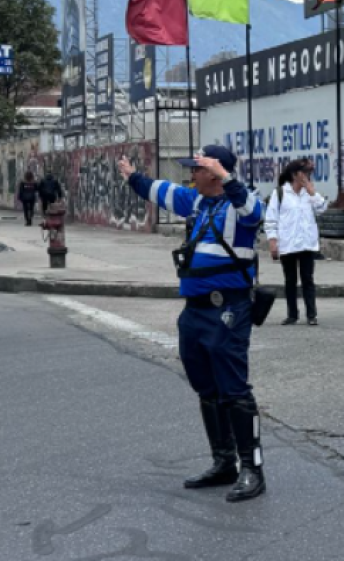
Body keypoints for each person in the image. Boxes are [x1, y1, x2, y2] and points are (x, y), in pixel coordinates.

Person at [118, 145, 266, 503]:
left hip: (227, 309)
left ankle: (252, 468)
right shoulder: (199, 202)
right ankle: (224, 462)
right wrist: (132, 176)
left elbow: (252, 210)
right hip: (195, 311)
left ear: (215, 172)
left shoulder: (241, 206)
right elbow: (162, 191)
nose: (190, 175)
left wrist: (226, 175)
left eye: (197, 169)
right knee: (207, 389)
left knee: (233, 389)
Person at [265, 158, 326, 326]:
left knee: (308, 279)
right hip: (287, 243)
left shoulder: (310, 193)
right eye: (304, 172)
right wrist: (272, 241)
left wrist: (312, 192)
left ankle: (311, 315)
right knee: (290, 280)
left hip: (307, 243)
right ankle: (292, 314)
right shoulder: (280, 193)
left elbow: (322, 209)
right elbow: (271, 219)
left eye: (308, 173)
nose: (307, 176)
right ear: (294, 174)